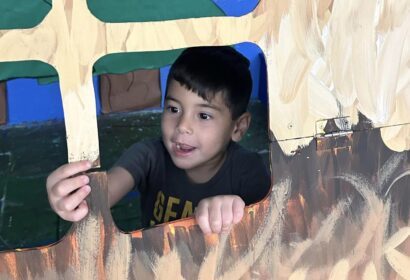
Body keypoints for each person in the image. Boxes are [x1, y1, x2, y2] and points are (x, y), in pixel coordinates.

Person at [46, 46, 271, 235]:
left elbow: (277, 235)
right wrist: (72, 196)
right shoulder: (149, 155)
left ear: (238, 127)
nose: (182, 126)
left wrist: (237, 211)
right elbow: (101, 195)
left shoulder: (249, 172)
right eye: (174, 109)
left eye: (203, 115)